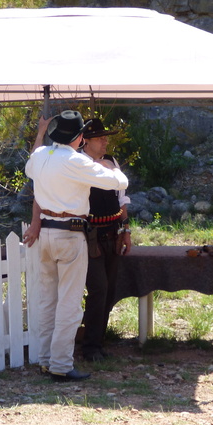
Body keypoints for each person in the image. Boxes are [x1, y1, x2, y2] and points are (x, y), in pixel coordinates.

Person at [24, 110, 128, 382]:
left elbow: (31, 165)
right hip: (70, 234)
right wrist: (109, 166)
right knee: (69, 304)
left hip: (46, 230)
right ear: (80, 137)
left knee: (48, 301)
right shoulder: (75, 161)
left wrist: (39, 135)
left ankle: (46, 360)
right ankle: (60, 364)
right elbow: (120, 183)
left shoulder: (41, 155)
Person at [79, 118, 131, 362]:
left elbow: (121, 199)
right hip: (88, 237)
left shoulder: (111, 162)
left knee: (109, 290)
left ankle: (98, 342)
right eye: (100, 138)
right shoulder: (77, 163)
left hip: (112, 232)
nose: (105, 141)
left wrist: (125, 230)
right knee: (98, 289)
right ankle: (89, 346)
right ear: (85, 141)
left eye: (105, 137)